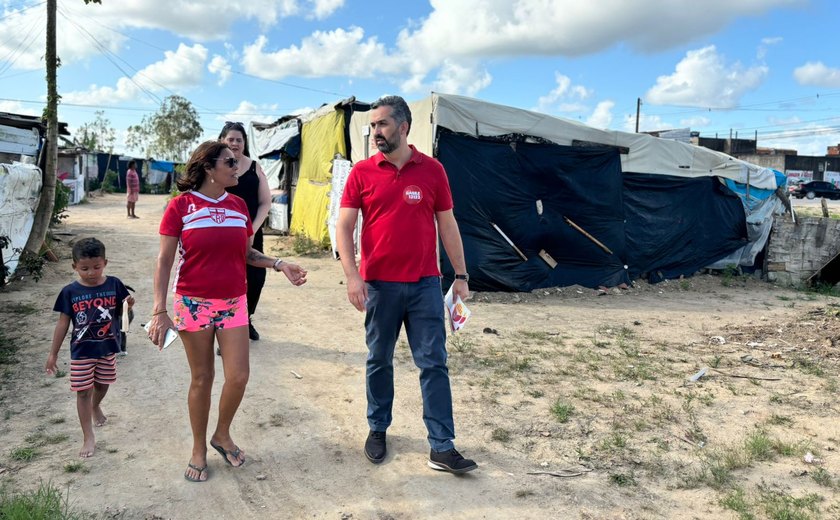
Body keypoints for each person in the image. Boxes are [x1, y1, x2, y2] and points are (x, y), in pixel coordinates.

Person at [147, 140, 307, 483]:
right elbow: (163, 261)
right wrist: (159, 309)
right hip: (193, 303)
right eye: (230, 163)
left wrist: (280, 263)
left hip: (234, 301)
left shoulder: (237, 206)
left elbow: (246, 254)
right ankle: (198, 449)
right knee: (202, 378)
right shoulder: (181, 207)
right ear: (210, 169)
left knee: (238, 376)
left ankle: (221, 434)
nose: (237, 168)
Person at [336, 95, 477, 475]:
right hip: (379, 286)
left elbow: (447, 224)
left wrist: (460, 276)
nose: (375, 132)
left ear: (403, 126)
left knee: (434, 364)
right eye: (373, 125)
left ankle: (442, 447)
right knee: (378, 360)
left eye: (381, 124)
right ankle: (378, 428)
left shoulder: (432, 171)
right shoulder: (362, 172)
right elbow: (345, 227)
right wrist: (352, 276)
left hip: (424, 286)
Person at [46, 237, 134, 458]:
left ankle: (96, 406)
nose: (91, 273)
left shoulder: (114, 284)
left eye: (97, 267)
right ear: (74, 266)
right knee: (83, 392)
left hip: (107, 348)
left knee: (103, 385)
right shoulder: (70, 292)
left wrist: (128, 306)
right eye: (84, 268)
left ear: (105, 262)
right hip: (81, 351)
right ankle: (88, 436)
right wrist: (53, 354)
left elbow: (123, 314)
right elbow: (63, 323)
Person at [219, 122, 271, 341]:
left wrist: (252, 229)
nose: (235, 143)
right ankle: (225, 328)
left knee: (256, 276)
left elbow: (265, 202)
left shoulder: (254, 167)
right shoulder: (216, 168)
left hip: (251, 232)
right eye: (230, 139)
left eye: (239, 139)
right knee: (226, 278)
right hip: (222, 233)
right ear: (222, 141)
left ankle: (246, 318)